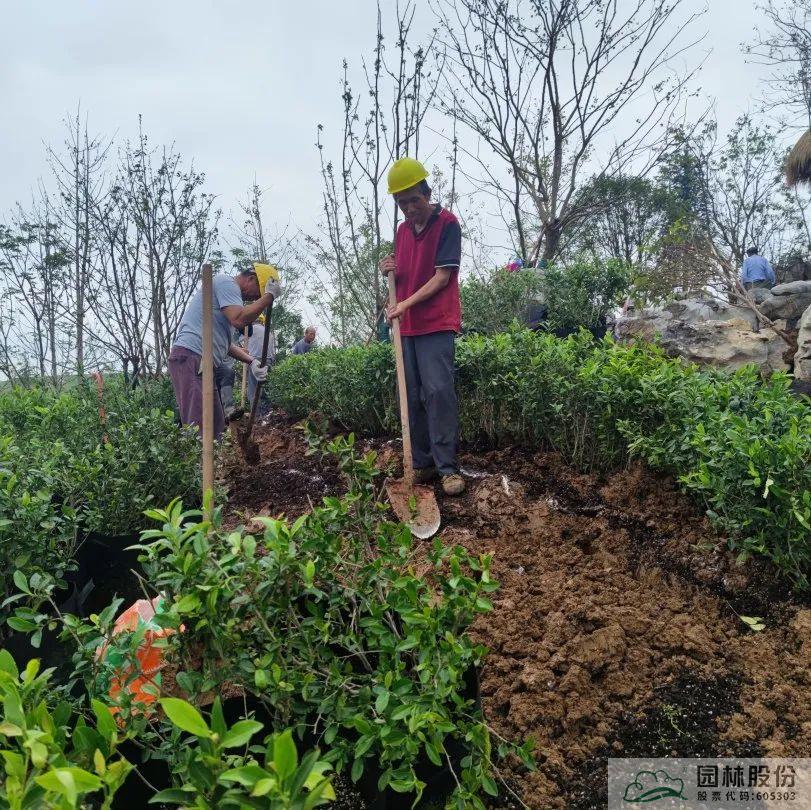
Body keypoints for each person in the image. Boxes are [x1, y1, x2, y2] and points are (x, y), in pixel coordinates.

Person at [379, 157, 465, 496]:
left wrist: (404, 305)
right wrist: (390, 268)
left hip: (435, 324)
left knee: (438, 393)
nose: (410, 208)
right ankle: (422, 463)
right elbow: (405, 275)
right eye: (402, 203)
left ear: (427, 193)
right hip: (406, 327)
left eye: (414, 199)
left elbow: (442, 278)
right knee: (411, 396)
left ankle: (447, 468)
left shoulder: (447, 224)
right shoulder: (402, 232)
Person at [168, 263, 281, 439]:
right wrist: (268, 297)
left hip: (203, 363)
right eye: (256, 293)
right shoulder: (226, 283)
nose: (254, 298)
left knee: (216, 426)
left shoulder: (226, 304)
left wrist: (251, 361)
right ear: (251, 278)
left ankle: (218, 466)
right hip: (190, 356)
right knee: (198, 428)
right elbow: (238, 319)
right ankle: (197, 466)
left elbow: (226, 345)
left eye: (259, 296)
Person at [246, 314, 276, 406]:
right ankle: (267, 413)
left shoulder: (250, 330)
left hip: (255, 360)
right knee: (266, 389)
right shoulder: (269, 332)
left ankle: (256, 416)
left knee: (253, 389)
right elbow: (273, 351)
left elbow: (239, 341)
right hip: (269, 361)